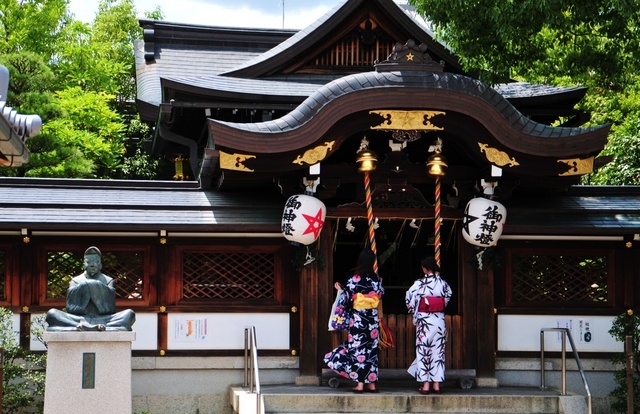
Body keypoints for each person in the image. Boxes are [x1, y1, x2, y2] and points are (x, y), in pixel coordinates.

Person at [324, 249, 384, 393]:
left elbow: (345, 299)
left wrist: (340, 290)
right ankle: (372, 384)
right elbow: (380, 297)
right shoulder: (377, 280)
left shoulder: (353, 280)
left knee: (358, 350)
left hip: (358, 319)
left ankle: (360, 384)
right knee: (371, 351)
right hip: (372, 320)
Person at [46, 246, 136, 331]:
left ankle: (82, 327)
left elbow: (110, 308)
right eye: (88, 262)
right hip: (78, 319)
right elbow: (71, 308)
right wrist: (87, 286)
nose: (92, 265)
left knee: (129, 314)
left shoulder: (108, 280)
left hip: (104, 319)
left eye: (96, 262)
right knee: (52, 313)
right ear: (84, 264)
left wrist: (94, 285)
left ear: (100, 265)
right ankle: (82, 326)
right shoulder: (75, 281)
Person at [405, 256, 452, 394]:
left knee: (423, 351)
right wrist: (436, 305)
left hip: (424, 322)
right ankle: (436, 385)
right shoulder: (443, 283)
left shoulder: (419, 283)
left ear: (424, 268)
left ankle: (426, 385)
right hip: (439, 321)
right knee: (438, 353)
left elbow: (409, 298)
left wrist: (415, 309)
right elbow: (447, 297)